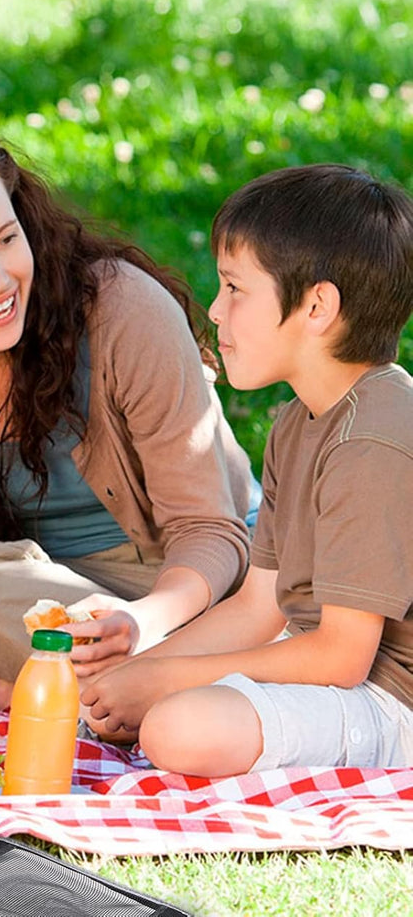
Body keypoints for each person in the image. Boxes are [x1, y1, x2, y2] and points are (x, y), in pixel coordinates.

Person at [0, 115, 253, 710]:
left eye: (6, 240)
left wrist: (142, 622)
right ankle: (123, 685)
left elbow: (211, 530)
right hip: (28, 589)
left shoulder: (122, 312)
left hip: (179, 580)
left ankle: (111, 681)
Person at [80, 164, 413, 774]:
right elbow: (260, 607)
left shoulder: (375, 437)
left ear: (316, 306)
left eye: (235, 289)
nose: (214, 310)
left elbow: (343, 657)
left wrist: (165, 683)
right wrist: (140, 672)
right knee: (143, 698)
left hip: (392, 699)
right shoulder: (297, 421)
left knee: (178, 726)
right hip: (314, 661)